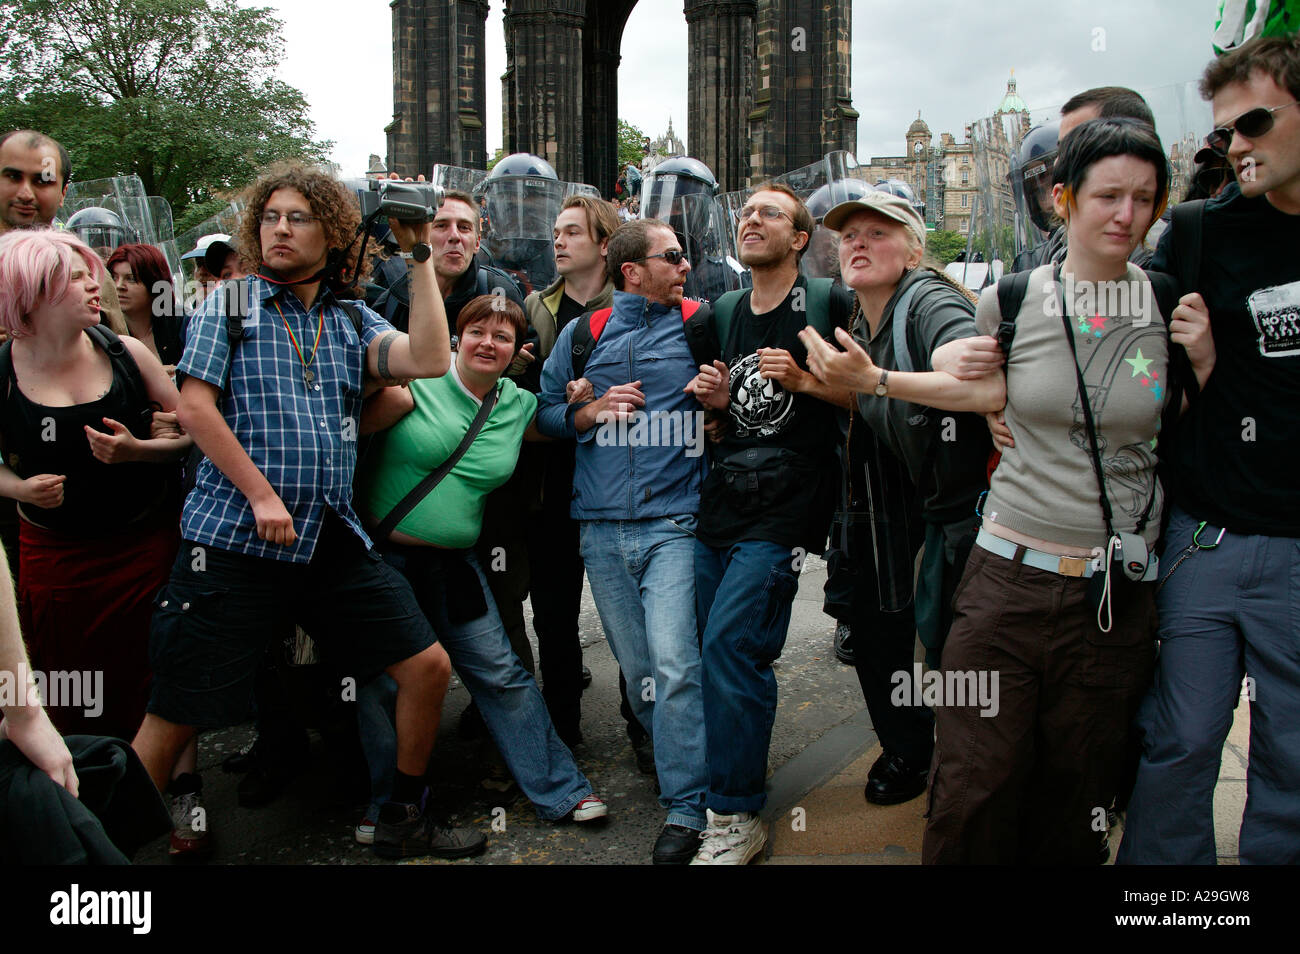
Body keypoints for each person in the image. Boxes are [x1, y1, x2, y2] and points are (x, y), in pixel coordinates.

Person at [127, 160, 486, 861]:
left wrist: (417, 258)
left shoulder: (351, 317)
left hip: (326, 535)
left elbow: (430, 358)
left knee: (427, 667)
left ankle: (401, 818)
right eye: (270, 217)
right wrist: (260, 493)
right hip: (231, 540)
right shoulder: (230, 303)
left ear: (332, 231)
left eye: (299, 217)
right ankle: (90, 857)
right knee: (175, 712)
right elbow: (195, 405)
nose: (280, 229)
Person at [907, 118, 1213, 864]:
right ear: (1061, 198)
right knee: (972, 785)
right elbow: (971, 389)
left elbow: (1167, 431)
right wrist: (908, 378)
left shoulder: (1169, 303)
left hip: (1111, 594)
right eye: (1108, 195)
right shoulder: (1007, 300)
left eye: (1145, 198)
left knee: (1079, 795)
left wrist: (1202, 370)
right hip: (1004, 581)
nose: (1126, 216)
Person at [1119, 32, 1300, 866]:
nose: (1237, 144)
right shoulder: (1196, 232)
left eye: (1256, 120)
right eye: (1225, 131)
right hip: (1207, 536)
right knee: (1182, 737)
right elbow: (1112, 341)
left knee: (1293, 753)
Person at [353, 294, 607, 841]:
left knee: (502, 673)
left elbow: (560, 424)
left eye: (503, 336)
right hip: (385, 564)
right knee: (383, 687)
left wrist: (583, 403)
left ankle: (562, 790)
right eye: (477, 331)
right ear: (456, 336)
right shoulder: (418, 378)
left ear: (517, 350)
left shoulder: (515, 405)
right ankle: (386, 809)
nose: (488, 343)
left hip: (454, 566)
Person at [799, 190, 1000, 815]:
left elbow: (963, 370)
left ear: (915, 250)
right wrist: (824, 386)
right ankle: (911, 752)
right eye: (849, 235)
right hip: (892, 509)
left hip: (963, 515)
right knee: (880, 630)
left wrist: (873, 380)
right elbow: (882, 407)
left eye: (878, 233)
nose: (858, 242)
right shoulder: (862, 320)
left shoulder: (927, 301)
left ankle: (974, 787)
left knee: (959, 660)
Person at [682, 184, 852, 864]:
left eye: (771, 214)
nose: (753, 221)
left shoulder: (826, 303)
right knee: (710, 648)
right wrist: (717, 405)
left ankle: (734, 812)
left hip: (787, 507)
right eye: (746, 213)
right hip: (724, 496)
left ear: (801, 239)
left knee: (731, 647)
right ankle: (721, 781)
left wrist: (810, 383)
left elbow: (871, 393)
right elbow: (726, 423)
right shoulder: (724, 311)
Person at [538, 218, 710, 864]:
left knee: (674, 666)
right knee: (641, 676)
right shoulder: (584, 335)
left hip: (675, 526)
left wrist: (715, 402)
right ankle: (683, 758)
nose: (685, 266)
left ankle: (690, 805)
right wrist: (586, 410)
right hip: (601, 534)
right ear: (632, 270)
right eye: (672, 256)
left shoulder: (699, 325)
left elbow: (734, 403)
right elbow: (544, 412)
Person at [0, 228, 190, 742]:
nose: (96, 287)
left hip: (144, 543)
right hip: (57, 557)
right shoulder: (2, 373)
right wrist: (19, 489)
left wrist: (139, 451)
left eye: (92, 275)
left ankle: (179, 790)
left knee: (160, 665)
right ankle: (88, 784)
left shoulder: (127, 351)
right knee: (71, 679)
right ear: (32, 294)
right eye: (77, 278)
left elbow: (196, 431)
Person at [516, 194, 618, 748]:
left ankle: (643, 725)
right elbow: (517, 400)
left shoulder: (629, 303)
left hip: (615, 480)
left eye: (573, 233)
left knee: (627, 614)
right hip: (550, 480)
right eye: (556, 232)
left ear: (604, 245)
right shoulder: (534, 306)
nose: (558, 241)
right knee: (553, 613)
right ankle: (563, 728)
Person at [106, 243, 185, 370]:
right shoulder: (102, 333)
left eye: (131, 279)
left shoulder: (182, 326)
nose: (119, 285)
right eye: (113, 278)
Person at [0, 129, 70, 233]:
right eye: (13, 177)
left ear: (62, 194)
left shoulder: (73, 249)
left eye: (43, 182)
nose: (26, 195)